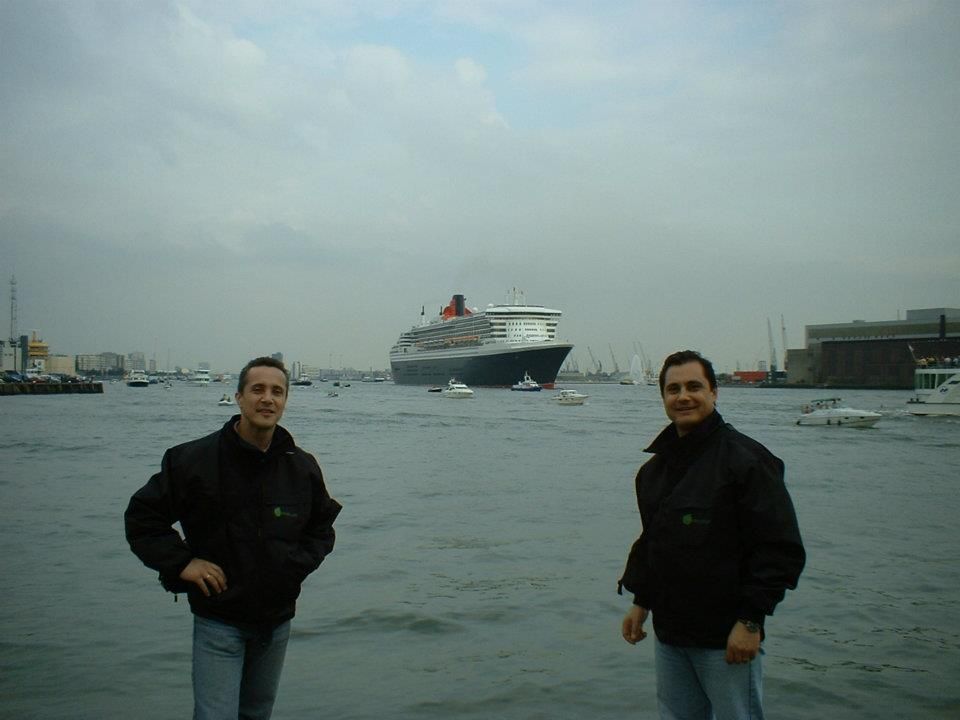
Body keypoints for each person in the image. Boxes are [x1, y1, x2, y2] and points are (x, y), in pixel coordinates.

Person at [125, 356, 342, 720]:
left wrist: (292, 569)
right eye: (257, 389)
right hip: (219, 618)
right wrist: (183, 564)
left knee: (257, 714)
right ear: (239, 397)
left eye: (277, 391)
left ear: (286, 400)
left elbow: (321, 528)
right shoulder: (192, 461)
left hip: (276, 621)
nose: (267, 399)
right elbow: (142, 518)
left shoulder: (301, 467)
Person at [619, 350, 804, 720]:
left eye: (694, 386)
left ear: (715, 393)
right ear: (663, 399)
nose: (683, 396)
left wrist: (751, 621)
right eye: (673, 389)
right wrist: (641, 601)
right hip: (671, 636)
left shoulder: (747, 461)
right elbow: (653, 541)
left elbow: (779, 549)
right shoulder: (653, 471)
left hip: (726, 637)